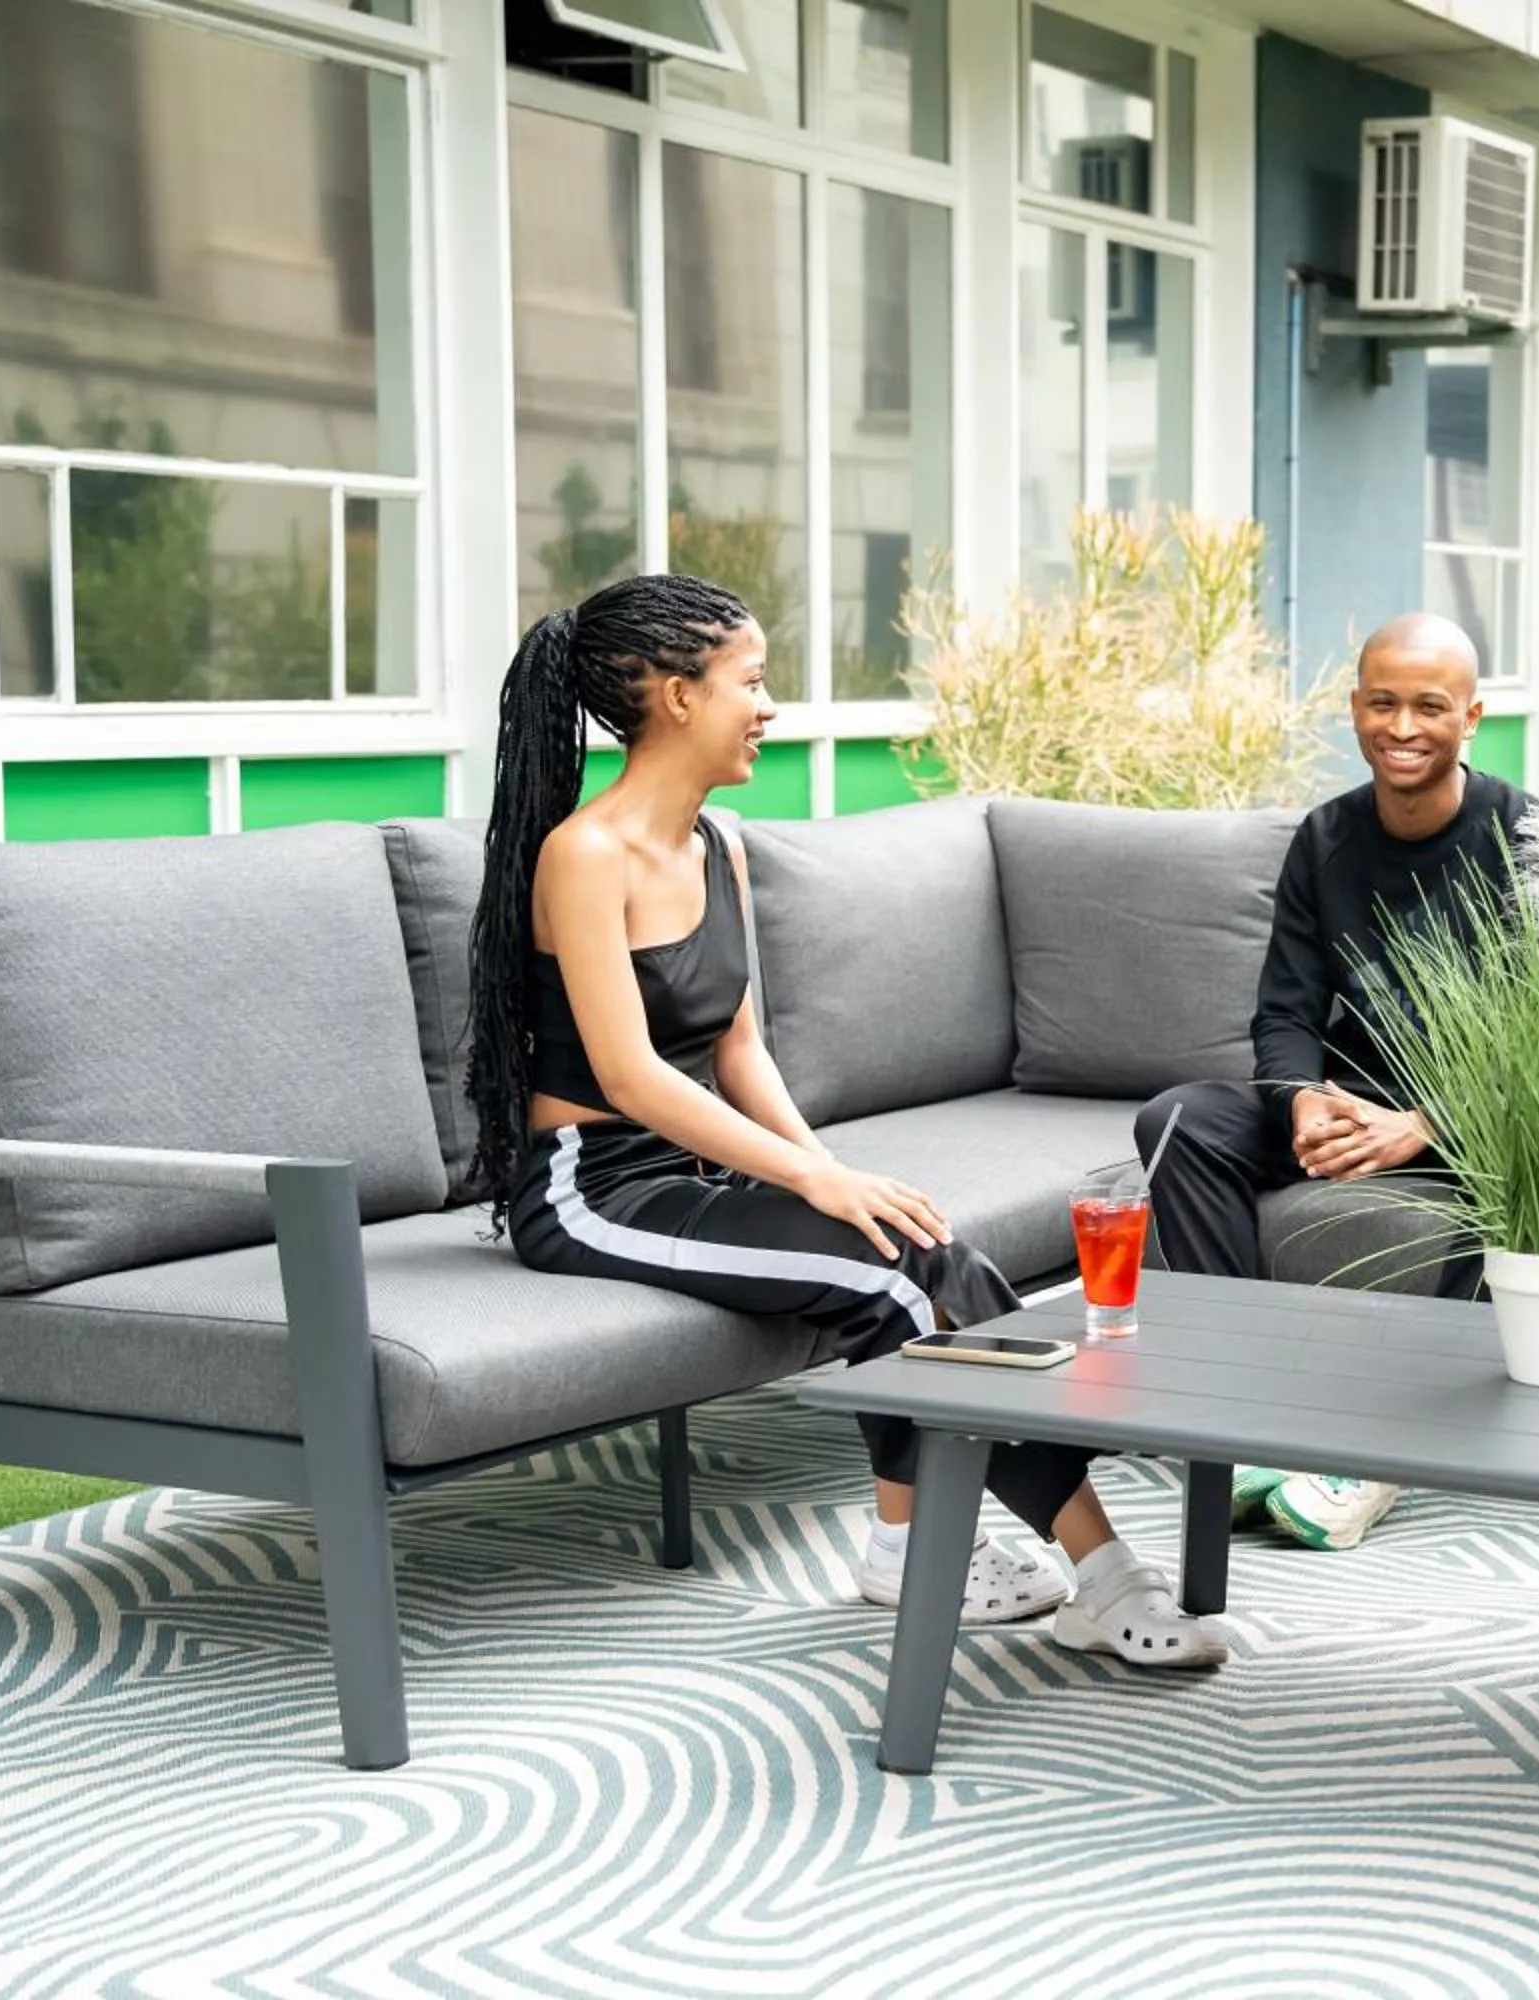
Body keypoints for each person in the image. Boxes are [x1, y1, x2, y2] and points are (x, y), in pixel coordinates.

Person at [466, 574, 1227, 1669]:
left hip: (701, 1169)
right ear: (677, 696)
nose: (769, 706)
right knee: (893, 1274)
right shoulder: (584, 855)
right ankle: (1088, 1575)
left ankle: (928, 1544)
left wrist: (831, 1174)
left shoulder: (718, 844)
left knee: (920, 1245)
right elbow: (630, 1076)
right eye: (751, 680)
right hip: (594, 1187)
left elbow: (737, 1050)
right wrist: (811, 1185)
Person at [1135, 613, 1526, 1552]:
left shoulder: (1526, 837)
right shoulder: (1325, 838)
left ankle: (1391, 1451)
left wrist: (1423, 1125)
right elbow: (1286, 1012)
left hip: (1484, 1109)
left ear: (1470, 716)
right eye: (1381, 703)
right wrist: (1302, 1100)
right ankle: (1246, 1409)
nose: (1402, 727)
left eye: (1429, 707)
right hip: (1352, 1092)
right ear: (1354, 710)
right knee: (1178, 1121)